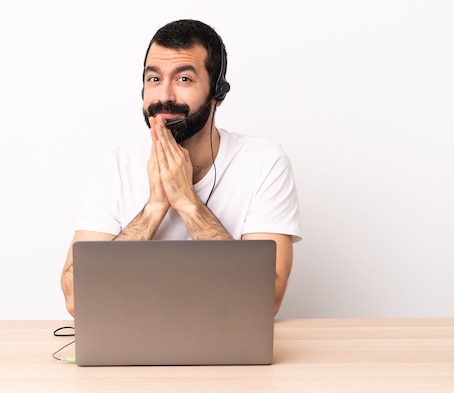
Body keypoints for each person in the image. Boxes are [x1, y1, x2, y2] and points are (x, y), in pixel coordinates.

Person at [60, 19, 302, 316]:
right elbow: (76, 299)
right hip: (132, 346)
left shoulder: (264, 162)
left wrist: (187, 202)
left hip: (228, 341)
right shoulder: (114, 168)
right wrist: (154, 207)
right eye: (154, 79)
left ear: (218, 92)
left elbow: (267, 299)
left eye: (184, 79)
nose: (164, 96)